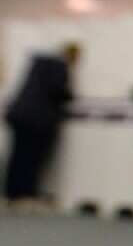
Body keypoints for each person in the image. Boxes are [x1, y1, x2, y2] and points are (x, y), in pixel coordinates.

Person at [4, 43, 78, 206]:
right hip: (38, 120)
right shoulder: (60, 66)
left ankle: (11, 192)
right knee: (32, 158)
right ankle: (25, 193)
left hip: (19, 115)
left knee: (18, 156)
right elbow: (58, 91)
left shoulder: (39, 64)